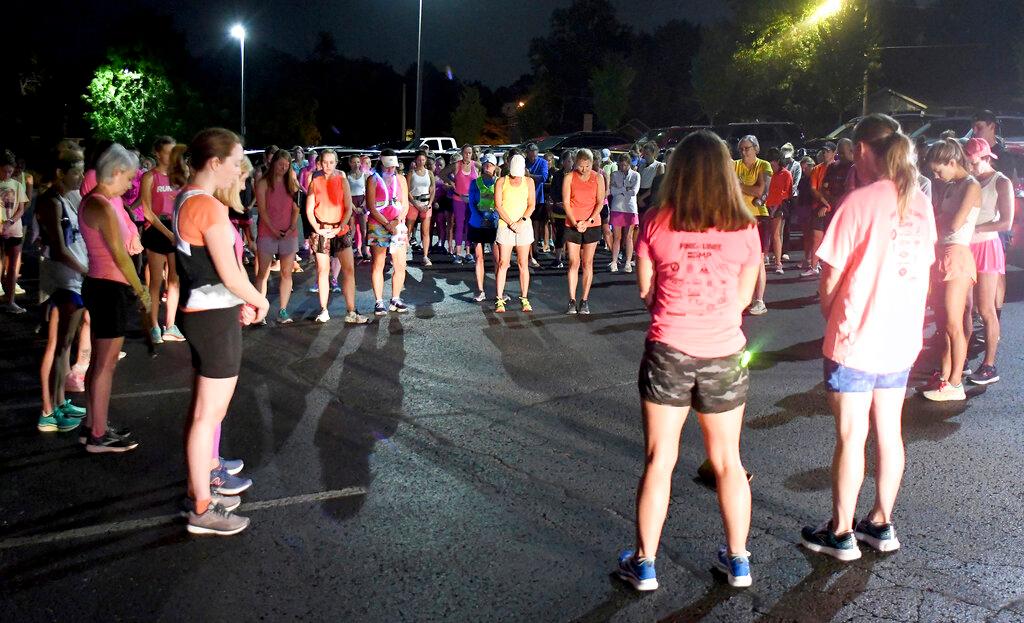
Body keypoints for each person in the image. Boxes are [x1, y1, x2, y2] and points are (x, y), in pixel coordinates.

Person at [617, 130, 760, 592]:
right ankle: (738, 561)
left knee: (661, 459)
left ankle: (645, 563)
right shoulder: (745, 227)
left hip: (669, 349)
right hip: (723, 351)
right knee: (728, 461)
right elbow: (742, 298)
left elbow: (645, 290)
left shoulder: (657, 221)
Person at [800, 114, 937, 560]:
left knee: (851, 435)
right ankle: (880, 523)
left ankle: (840, 532)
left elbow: (830, 278)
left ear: (861, 150)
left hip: (856, 337)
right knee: (889, 432)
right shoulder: (919, 202)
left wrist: (831, 315)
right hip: (901, 336)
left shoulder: (858, 202)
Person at [173, 128, 269, 535]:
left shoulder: (187, 199)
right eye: (234, 162)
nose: (237, 171)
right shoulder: (207, 207)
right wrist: (259, 299)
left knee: (205, 414)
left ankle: (203, 487)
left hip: (205, 314)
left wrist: (241, 299)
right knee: (207, 416)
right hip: (211, 319)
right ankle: (201, 507)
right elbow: (229, 273)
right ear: (214, 162)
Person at [79, 144, 149, 453]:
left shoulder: (101, 201)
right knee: (105, 365)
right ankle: (97, 434)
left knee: (99, 362)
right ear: (116, 172)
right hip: (108, 289)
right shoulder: (101, 205)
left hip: (103, 287)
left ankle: (94, 424)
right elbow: (120, 255)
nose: (132, 183)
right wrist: (143, 291)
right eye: (130, 177)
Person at [920, 139, 981, 402]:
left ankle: (956, 382)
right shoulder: (951, 187)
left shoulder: (971, 186)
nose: (936, 176)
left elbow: (954, 223)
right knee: (944, 322)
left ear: (952, 162)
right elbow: (937, 221)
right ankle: (945, 376)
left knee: (955, 323)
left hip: (957, 255)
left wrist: (939, 220)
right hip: (941, 255)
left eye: (938, 170)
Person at [36, 149, 88, 433]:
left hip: (72, 278)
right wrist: (86, 270)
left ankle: (59, 400)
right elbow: (58, 246)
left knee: (64, 346)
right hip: (61, 280)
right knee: (56, 345)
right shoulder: (50, 202)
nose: (80, 177)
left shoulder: (66, 199)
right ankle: (48, 410)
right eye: (76, 171)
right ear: (60, 173)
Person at [965, 138, 1013, 385]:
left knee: (986, 309)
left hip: (987, 246)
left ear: (985, 158)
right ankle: (961, 359)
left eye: (973, 162)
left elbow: (1006, 222)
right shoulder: (969, 180)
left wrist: (974, 227)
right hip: (966, 247)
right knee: (966, 307)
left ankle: (989, 365)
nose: (970, 167)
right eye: (967, 162)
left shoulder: (1001, 181)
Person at [306, 149, 368, 324]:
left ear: (336, 162)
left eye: (331, 162)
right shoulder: (315, 181)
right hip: (322, 231)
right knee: (322, 271)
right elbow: (309, 208)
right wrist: (317, 228)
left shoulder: (342, 180)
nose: (328, 166)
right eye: (325, 162)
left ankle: (351, 311)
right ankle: (324, 310)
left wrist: (340, 226)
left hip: (340, 230)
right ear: (320, 162)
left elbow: (348, 208)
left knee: (348, 270)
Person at [140, 136, 185, 343]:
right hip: (157, 229)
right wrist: (167, 233)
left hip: (176, 227)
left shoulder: (179, 176)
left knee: (174, 280)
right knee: (156, 281)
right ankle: (154, 325)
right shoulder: (150, 177)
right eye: (168, 152)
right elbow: (147, 211)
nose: (171, 156)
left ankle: (170, 324)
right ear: (158, 153)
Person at [255, 149, 300, 323]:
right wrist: (273, 229)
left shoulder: (292, 183)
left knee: (286, 273)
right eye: (281, 164)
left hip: (288, 233)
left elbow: (296, 207)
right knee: (263, 273)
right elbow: (262, 209)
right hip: (267, 232)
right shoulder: (264, 182)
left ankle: (283, 310)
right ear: (273, 163)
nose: (283, 167)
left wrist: (292, 226)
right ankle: (260, 310)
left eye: (287, 165)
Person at [367, 149, 410, 315]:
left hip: (397, 224)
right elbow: (372, 206)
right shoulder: (373, 179)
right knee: (379, 263)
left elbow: (405, 204)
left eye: (393, 166)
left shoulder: (401, 179)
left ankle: (395, 298)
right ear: (381, 164)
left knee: (400, 264)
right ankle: (379, 301)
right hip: (378, 225)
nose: (391, 170)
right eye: (387, 167)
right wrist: (387, 224)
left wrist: (396, 222)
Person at [562, 148, 604, 315]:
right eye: (580, 166)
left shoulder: (598, 177)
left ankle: (584, 300)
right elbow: (566, 202)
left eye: (587, 166)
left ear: (592, 163)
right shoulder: (569, 177)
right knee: (573, 261)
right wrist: (575, 222)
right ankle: (572, 300)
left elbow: (600, 202)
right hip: (573, 223)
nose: (584, 169)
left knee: (587, 262)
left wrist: (588, 221)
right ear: (575, 163)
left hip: (592, 224)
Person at [733, 135, 772, 315]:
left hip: (758, 216)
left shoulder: (764, 165)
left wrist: (739, 186)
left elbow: (761, 190)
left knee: (757, 260)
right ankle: (742, 297)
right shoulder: (734, 165)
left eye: (747, 148)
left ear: (756, 149)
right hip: (739, 217)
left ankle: (759, 300)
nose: (743, 152)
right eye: (741, 149)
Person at [493, 154, 536, 313]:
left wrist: (521, 221)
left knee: (523, 263)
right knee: (503, 263)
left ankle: (524, 298)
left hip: (523, 226)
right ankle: (499, 299)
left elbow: (531, 205)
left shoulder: (529, 181)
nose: (516, 177)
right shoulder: (501, 181)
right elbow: (498, 206)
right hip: (505, 226)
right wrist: (511, 223)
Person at [468, 154, 500, 302]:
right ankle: (480, 291)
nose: (487, 165)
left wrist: (491, 219)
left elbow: (501, 204)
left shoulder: (499, 183)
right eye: (485, 163)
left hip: (494, 225)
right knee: (479, 257)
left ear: (495, 167)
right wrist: (482, 218)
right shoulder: (475, 183)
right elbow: (472, 204)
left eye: (491, 164)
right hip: (477, 224)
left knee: (497, 259)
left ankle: (499, 292)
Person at [0, 150, 29, 313]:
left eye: (10, 171)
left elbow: (21, 208)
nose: (7, 174)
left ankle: (10, 301)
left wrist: (10, 221)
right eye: (4, 170)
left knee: (12, 267)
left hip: (14, 230)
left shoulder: (17, 185)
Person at [801, 142, 837, 276]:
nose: (825, 153)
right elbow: (813, 189)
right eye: (823, 151)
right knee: (816, 236)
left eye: (828, 151)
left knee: (833, 238)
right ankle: (814, 265)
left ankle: (830, 268)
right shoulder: (817, 169)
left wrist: (829, 205)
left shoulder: (838, 168)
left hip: (834, 207)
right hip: (819, 207)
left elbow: (837, 190)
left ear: (834, 152)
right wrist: (824, 203)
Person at [608, 153, 640, 273]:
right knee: (617, 237)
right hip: (617, 208)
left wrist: (621, 189)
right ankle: (614, 261)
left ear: (629, 164)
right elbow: (613, 191)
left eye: (625, 165)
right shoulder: (614, 174)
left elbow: (634, 192)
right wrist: (624, 189)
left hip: (630, 209)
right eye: (621, 165)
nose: (623, 167)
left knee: (629, 236)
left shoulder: (636, 175)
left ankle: (628, 262)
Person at [764, 147, 794, 275]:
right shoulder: (766, 173)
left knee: (776, 234)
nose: (772, 163)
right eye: (770, 161)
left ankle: (778, 263)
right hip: (765, 206)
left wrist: (775, 207)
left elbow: (787, 193)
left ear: (779, 161)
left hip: (779, 207)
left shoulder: (786, 174)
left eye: (774, 160)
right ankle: (764, 257)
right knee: (765, 234)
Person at [406, 150, 435, 267]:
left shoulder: (430, 173)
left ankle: (425, 255)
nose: (421, 162)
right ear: (415, 160)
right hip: (414, 203)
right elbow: (407, 190)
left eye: (423, 160)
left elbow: (432, 190)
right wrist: (415, 203)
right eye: (419, 160)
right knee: (408, 230)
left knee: (425, 231)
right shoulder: (411, 173)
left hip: (426, 203)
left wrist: (429, 204)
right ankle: (404, 253)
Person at [450, 145, 477, 263]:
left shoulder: (475, 165)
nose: (467, 155)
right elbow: (442, 173)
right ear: (462, 153)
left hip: (471, 200)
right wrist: (451, 183)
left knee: (469, 225)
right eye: (465, 153)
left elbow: (489, 171)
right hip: (458, 199)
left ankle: (468, 252)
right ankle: (458, 254)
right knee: (459, 225)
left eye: (470, 153)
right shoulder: (457, 165)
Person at [524, 143, 549, 269]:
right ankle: (526, 249)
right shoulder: (524, 162)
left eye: (534, 156)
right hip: (524, 198)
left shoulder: (543, 162)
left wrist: (529, 176)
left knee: (536, 224)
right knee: (525, 223)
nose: (532, 158)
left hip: (538, 198)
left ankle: (535, 249)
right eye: (530, 156)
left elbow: (544, 177)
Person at [548, 150, 573, 269]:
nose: (570, 163)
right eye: (568, 160)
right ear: (563, 162)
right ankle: (558, 259)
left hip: (573, 210)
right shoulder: (557, 175)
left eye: (571, 160)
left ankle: (572, 258)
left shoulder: (576, 175)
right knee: (560, 234)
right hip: (560, 209)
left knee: (573, 235)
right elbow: (553, 191)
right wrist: (559, 202)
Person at [345, 154, 370, 264]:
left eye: (358, 162)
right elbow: (346, 193)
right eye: (354, 162)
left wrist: (363, 204)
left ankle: (365, 249)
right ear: (350, 163)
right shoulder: (347, 176)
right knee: (352, 228)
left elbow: (368, 192)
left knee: (364, 228)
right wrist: (354, 207)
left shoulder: (364, 175)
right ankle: (354, 250)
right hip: (351, 202)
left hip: (362, 202)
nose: (356, 164)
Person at [636, 142, 664, 216]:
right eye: (644, 154)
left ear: (653, 153)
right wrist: (638, 197)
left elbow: (657, 185)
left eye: (647, 154)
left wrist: (642, 198)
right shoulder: (641, 166)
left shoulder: (658, 166)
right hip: (640, 193)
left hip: (650, 194)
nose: (645, 156)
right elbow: (637, 182)